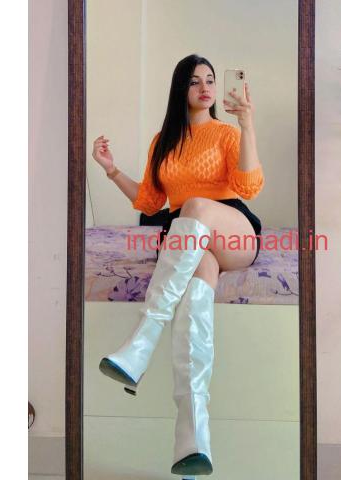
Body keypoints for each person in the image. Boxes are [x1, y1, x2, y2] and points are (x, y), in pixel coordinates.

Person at [91, 53, 264, 476]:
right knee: (195, 284)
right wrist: (112, 171)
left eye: (210, 80)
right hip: (189, 239)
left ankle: (143, 340)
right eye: (194, 81)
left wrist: (246, 124)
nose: (205, 88)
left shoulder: (226, 133)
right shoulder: (163, 141)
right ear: (180, 89)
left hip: (233, 230)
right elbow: (150, 202)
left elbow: (249, 186)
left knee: (197, 206)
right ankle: (193, 441)